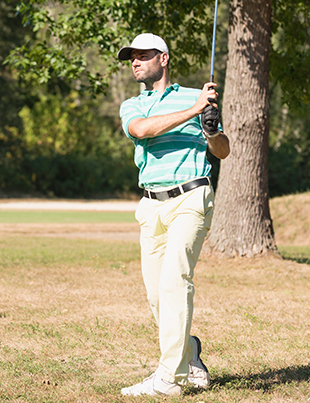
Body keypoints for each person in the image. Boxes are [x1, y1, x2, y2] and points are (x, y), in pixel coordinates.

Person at [116, 34, 230, 396]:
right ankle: (190, 351)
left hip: (191, 197)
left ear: (162, 59)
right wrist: (197, 111)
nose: (134, 62)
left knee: (175, 281)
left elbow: (223, 150)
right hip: (151, 205)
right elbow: (143, 131)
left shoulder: (196, 95)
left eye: (142, 55)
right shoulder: (131, 105)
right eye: (131, 57)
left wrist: (211, 130)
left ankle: (170, 378)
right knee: (155, 295)